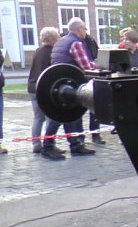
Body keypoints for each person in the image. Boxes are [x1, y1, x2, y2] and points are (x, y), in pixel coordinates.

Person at [44, 17, 96, 159]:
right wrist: (99, 65)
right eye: (84, 29)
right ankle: (48, 147)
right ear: (79, 29)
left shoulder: (60, 41)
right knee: (59, 117)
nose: (85, 32)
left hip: (58, 83)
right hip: (70, 84)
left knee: (69, 115)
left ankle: (75, 144)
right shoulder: (76, 43)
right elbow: (86, 66)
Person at [28, 27, 66, 155]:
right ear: (52, 39)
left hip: (32, 87)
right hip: (44, 89)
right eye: (57, 37)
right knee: (51, 117)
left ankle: (36, 144)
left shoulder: (38, 51)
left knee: (38, 118)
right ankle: (49, 144)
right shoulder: (52, 52)